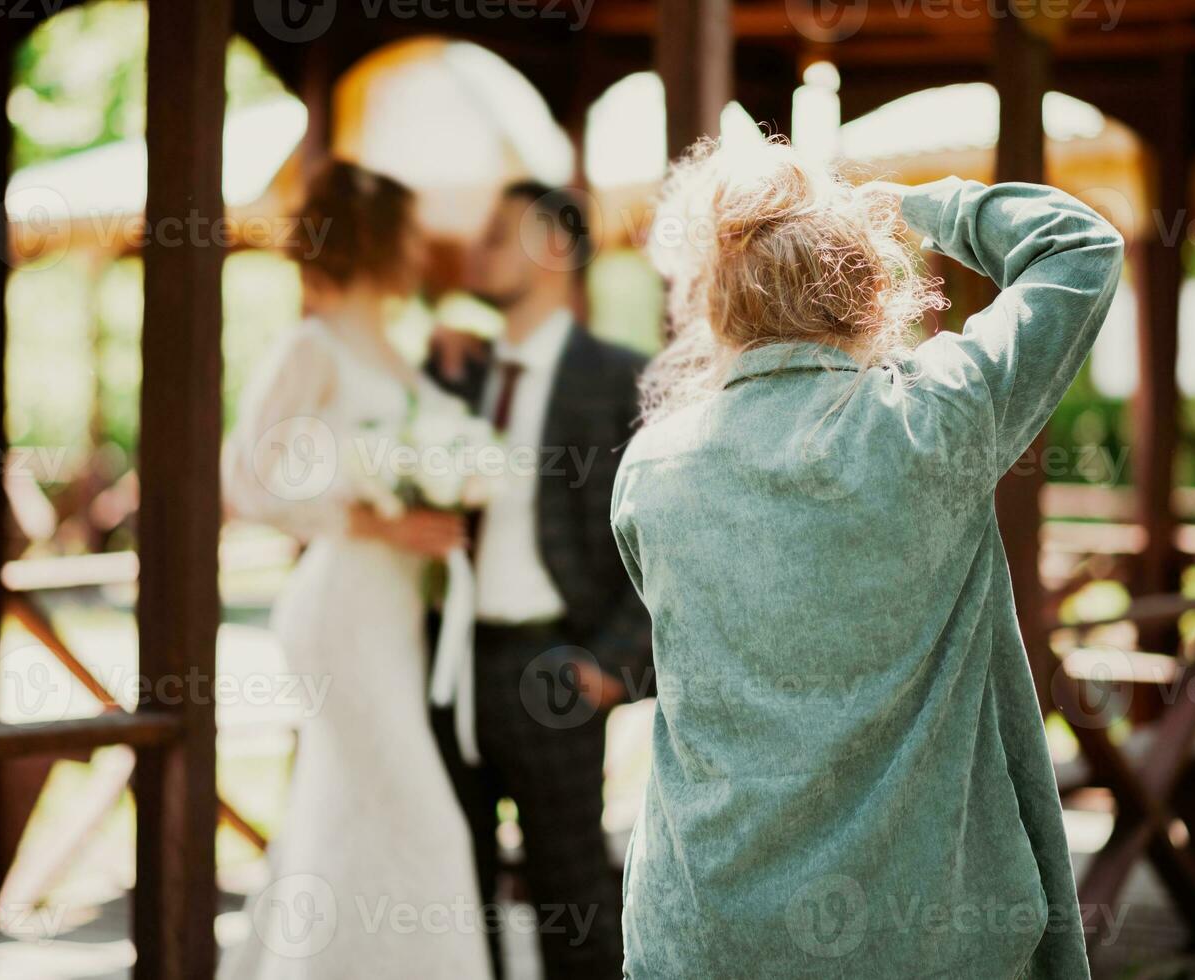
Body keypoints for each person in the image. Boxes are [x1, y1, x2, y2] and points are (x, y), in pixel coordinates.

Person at [609, 136, 1124, 978]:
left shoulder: (652, 470)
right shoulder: (939, 417)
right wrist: (919, 204)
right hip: (925, 938)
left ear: (714, 305)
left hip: (704, 935)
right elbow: (1079, 245)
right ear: (869, 288)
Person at [219, 161, 492, 980]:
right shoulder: (313, 342)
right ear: (375, 240)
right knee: (426, 822)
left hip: (397, 614)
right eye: (408, 232)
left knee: (341, 812)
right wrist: (379, 520)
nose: (422, 248)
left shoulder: (400, 349)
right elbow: (247, 478)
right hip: (342, 609)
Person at [427, 181, 652, 980]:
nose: (478, 247)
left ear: (555, 245)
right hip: (448, 666)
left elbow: (660, 544)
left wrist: (609, 668)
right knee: (454, 890)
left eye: (499, 231)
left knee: (573, 892)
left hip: (557, 666)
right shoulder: (455, 372)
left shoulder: (623, 378)